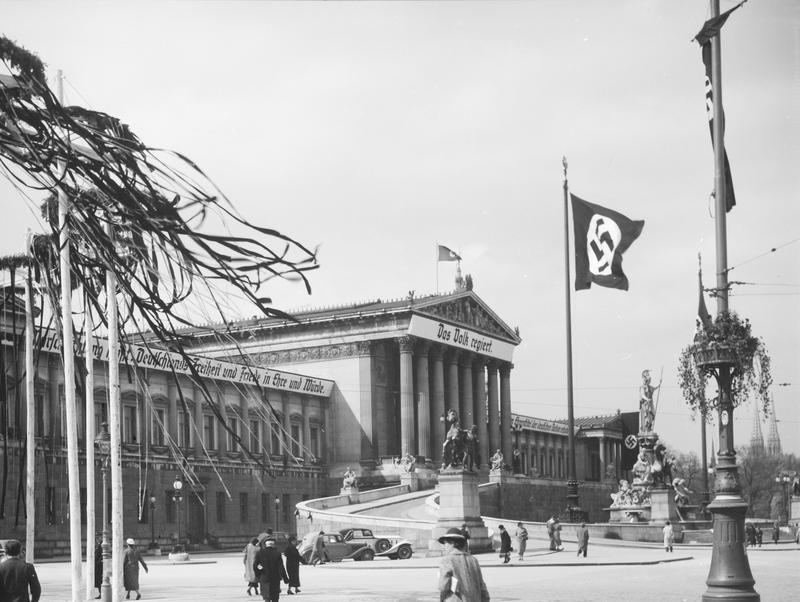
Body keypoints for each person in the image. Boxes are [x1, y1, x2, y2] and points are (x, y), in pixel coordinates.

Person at [437, 527, 490, 602]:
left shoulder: (447, 560)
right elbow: (482, 587)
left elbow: (443, 586)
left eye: (446, 543)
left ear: (453, 543)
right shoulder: (473, 560)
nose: (444, 546)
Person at [254, 537, 289, 602]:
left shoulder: (260, 553)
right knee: (275, 598)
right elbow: (281, 567)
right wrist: (285, 579)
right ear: (273, 544)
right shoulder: (277, 553)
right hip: (275, 578)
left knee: (266, 597)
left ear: (266, 544)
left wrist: (258, 575)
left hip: (264, 578)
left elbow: (255, 566)